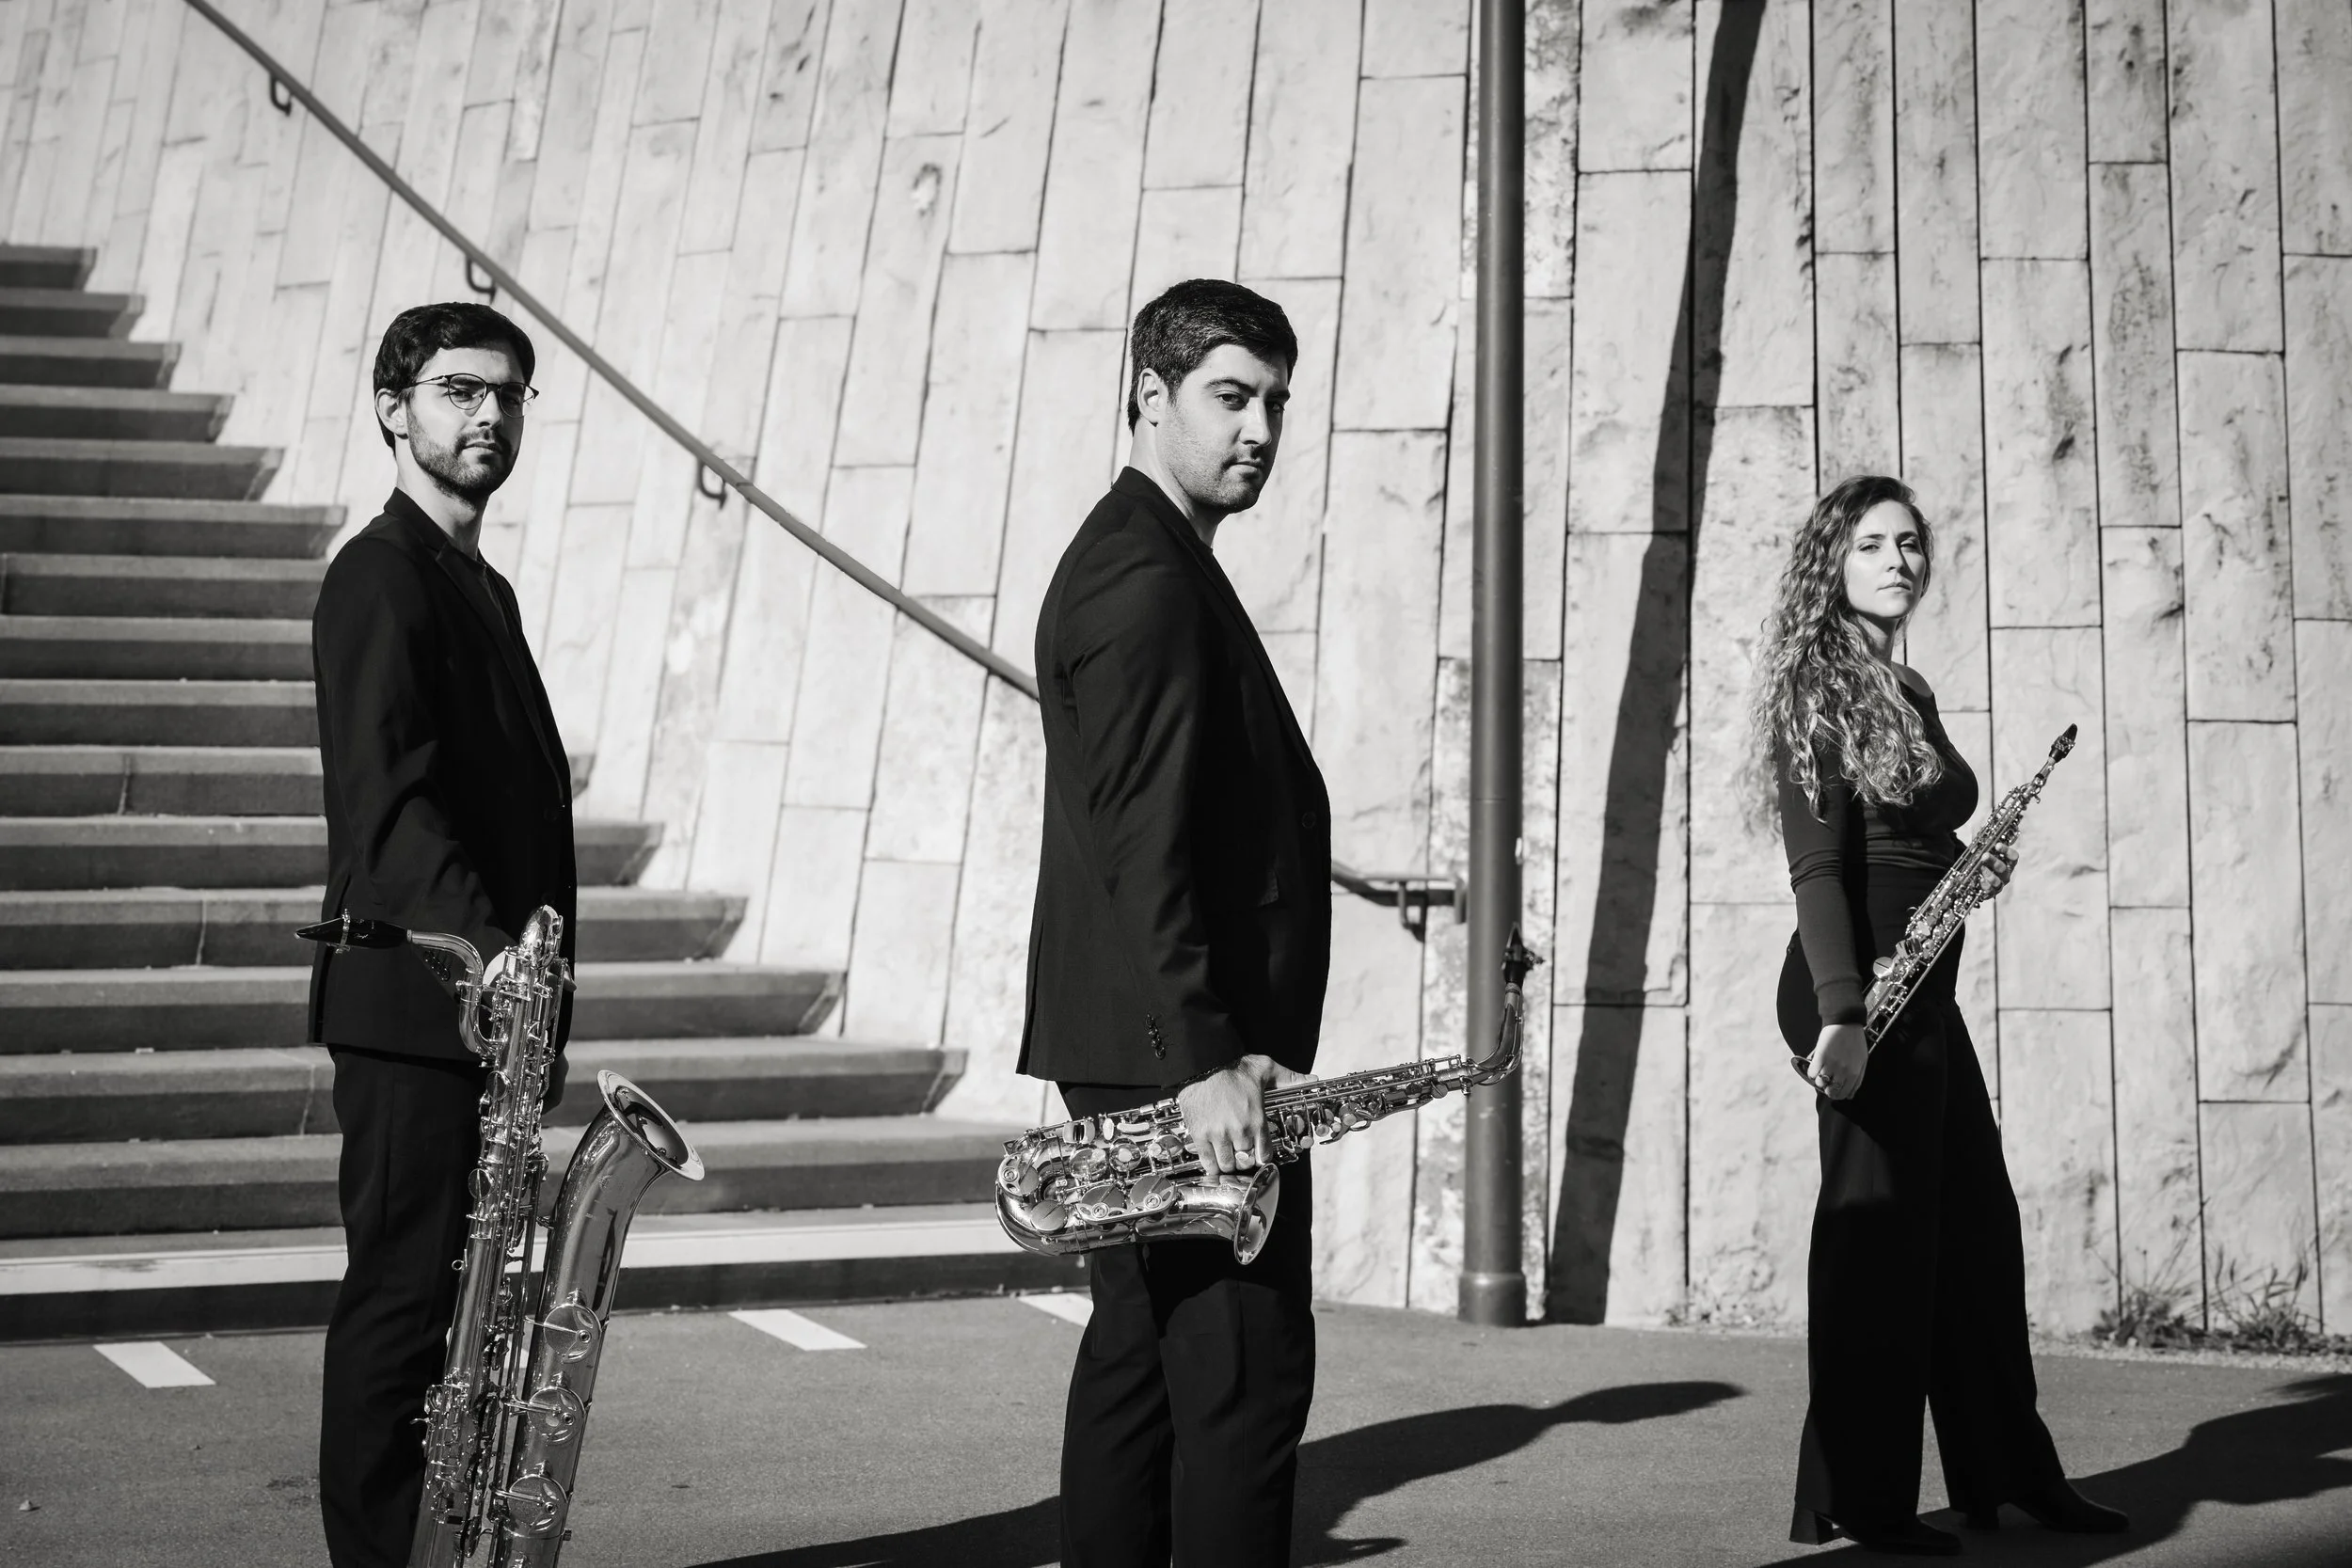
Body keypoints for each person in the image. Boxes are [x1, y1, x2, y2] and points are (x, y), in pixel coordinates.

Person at [1750, 476, 2129, 1556]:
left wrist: (1969, 863)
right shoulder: (1815, 689)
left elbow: (1910, 834)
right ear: (1831, 564)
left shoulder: (1901, 686)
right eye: (1871, 543)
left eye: (1909, 542)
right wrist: (1841, 1015)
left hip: (1923, 989)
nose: (1897, 560)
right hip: (1859, 993)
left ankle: (2006, 1474)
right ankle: (1862, 1496)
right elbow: (1818, 868)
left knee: (1973, 1236)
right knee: (1878, 1249)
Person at [1021, 278, 1331, 1568]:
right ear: (1150, 396)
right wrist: (1206, 1056)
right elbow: (1142, 848)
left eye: (1277, 403)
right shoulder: (1144, 580)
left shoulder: (1148, 557)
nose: (1259, 429)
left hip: (1150, 1040)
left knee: (1140, 1360)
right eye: (1231, 396)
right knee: (1240, 1372)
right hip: (1183, 1056)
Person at [311, 302, 577, 1568]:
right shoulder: (378, 574)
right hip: (420, 1003)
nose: (488, 413)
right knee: (402, 1312)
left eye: (509, 393)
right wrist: (506, 969)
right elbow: (393, 808)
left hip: (481, 1011)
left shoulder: (483, 585)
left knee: (465, 1328)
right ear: (392, 407)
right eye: (460, 389)